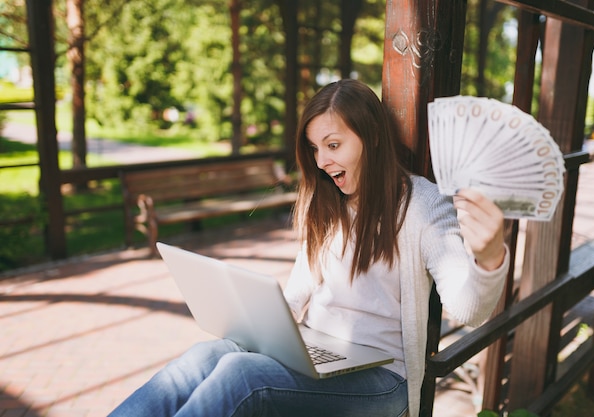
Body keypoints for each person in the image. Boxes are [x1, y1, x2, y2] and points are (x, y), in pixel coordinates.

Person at [108, 79, 509, 417]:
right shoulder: (327, 203)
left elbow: (469, 310)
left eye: (333, 145)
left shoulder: (422, 205)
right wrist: (254, 323)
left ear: (370, 136)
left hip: (383, 378)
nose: (322, 161)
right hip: (314, 352)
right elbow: (297, 294)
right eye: (315, 149)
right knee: (203, 357)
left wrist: (489, 255)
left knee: (242, 376)